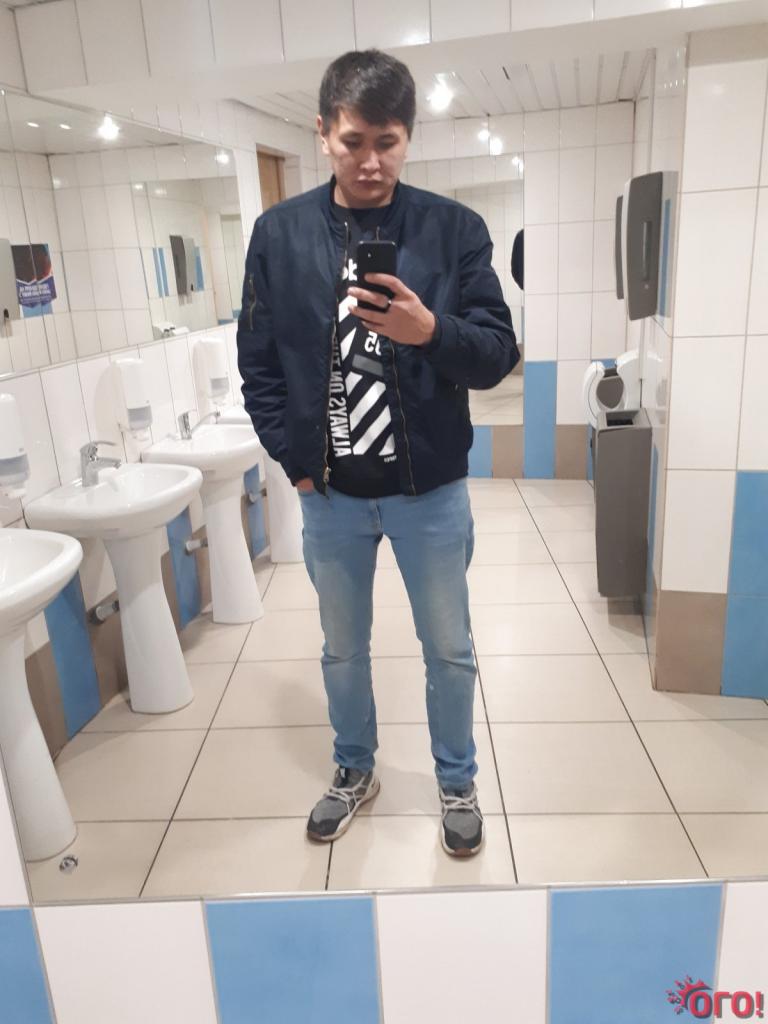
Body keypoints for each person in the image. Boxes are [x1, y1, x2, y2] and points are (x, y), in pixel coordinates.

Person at [237, 49, 519, 857]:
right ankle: (355, 769)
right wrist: (293, 461)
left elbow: (497, 353)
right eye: (353, 141)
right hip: (329, 495)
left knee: (449, 649)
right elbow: (257, 360)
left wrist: (431, 331)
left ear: (408, 138)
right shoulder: (279, 235)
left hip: (430, 491)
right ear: (322, 132)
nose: (369, 161)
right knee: (341, 650)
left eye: (387, 143)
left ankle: (456, 780)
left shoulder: (454, 230)